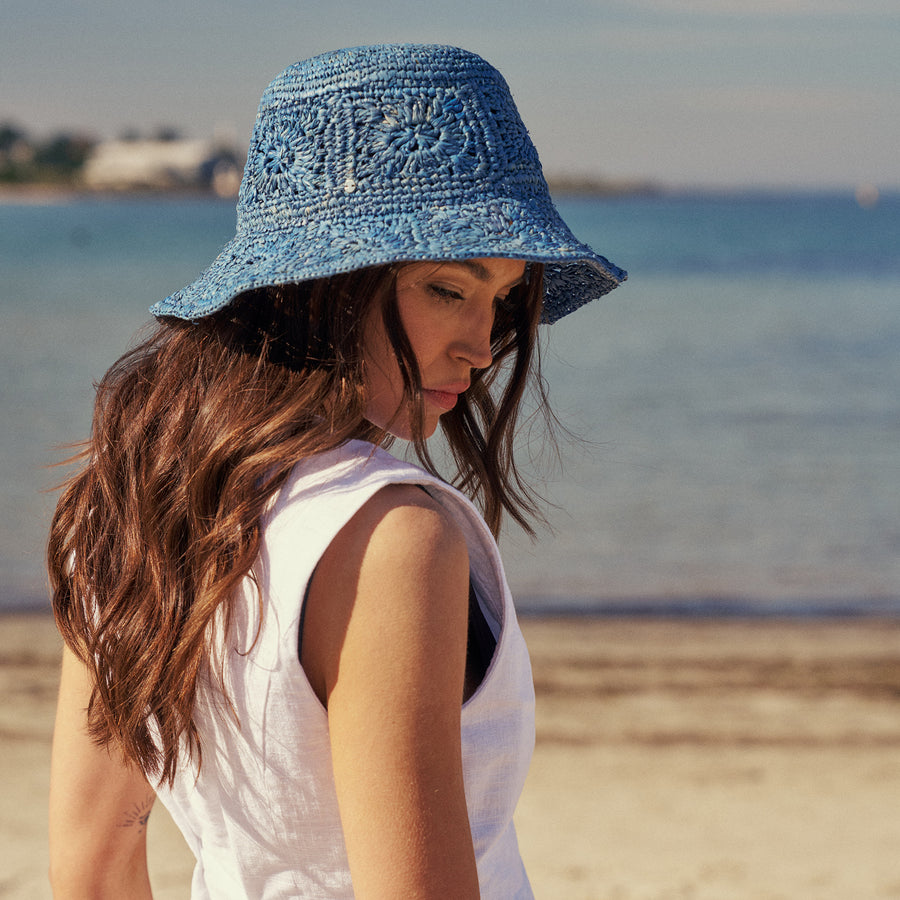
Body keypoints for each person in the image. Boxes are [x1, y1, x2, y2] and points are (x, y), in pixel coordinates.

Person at [47, 43, 625, 899]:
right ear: (324, 286)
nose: (480, 346)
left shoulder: (128, 505)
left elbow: (91, 872)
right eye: (446, 289)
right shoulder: (392, 538)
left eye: (501, 300)